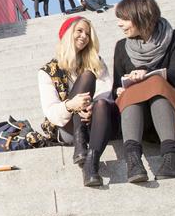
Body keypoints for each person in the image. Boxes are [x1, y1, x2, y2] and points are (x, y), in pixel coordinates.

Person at [112, 0, 175, 183]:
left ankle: (171, 156)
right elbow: (116, 85)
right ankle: (132, 160)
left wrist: (146, 73)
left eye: (124, 19)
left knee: (155, 85)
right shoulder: (122, 47)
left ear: (141, 16)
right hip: (138, 117)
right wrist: (119, 90)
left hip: (168, 110)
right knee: (130, 92)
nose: (119, 24)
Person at [38, 16, 117, 187]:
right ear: (67, 34)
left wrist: (91, 108)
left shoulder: (96, 62)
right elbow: (51, 113)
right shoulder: (47, 72)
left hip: (96, 122)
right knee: (88, 76)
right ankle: (79, 143)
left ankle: (90, 164)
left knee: (102, 104)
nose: (84, 36)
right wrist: (70, 105)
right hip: (67, 127)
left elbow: (106, 94)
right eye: (79, 31)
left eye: (88, 34)